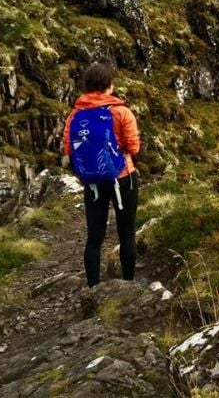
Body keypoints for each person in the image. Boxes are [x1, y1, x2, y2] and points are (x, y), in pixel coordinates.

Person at [63, 61, 140, 287]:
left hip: (92, 182)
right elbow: (133, 147)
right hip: (123, 176)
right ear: (109, 85)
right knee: (126, 234)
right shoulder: (121, 112)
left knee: (94, 238)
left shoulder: (75, 114)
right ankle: (129, 284)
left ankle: (93, 288)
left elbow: (69, 147)